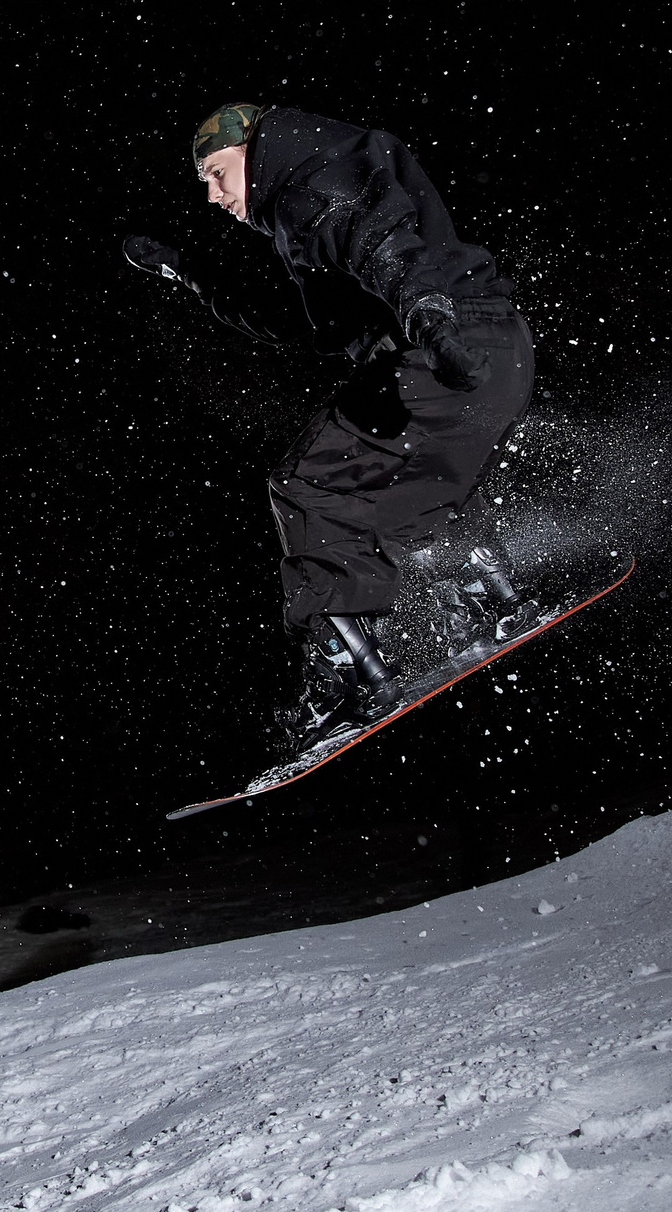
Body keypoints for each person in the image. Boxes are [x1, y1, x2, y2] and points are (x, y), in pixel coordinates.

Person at [125, 103, 538, 750]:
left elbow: (383, 244)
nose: (213, 196)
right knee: (403, 492)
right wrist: (189, 273)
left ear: (252, 148)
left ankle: (350, 672)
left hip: (438, 353)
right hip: (494, 348)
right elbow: (308, 324)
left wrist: (430, 318)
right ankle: (488, 592)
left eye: (216, 173)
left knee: (305, 487)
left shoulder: (313, 185)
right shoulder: (325, 181)